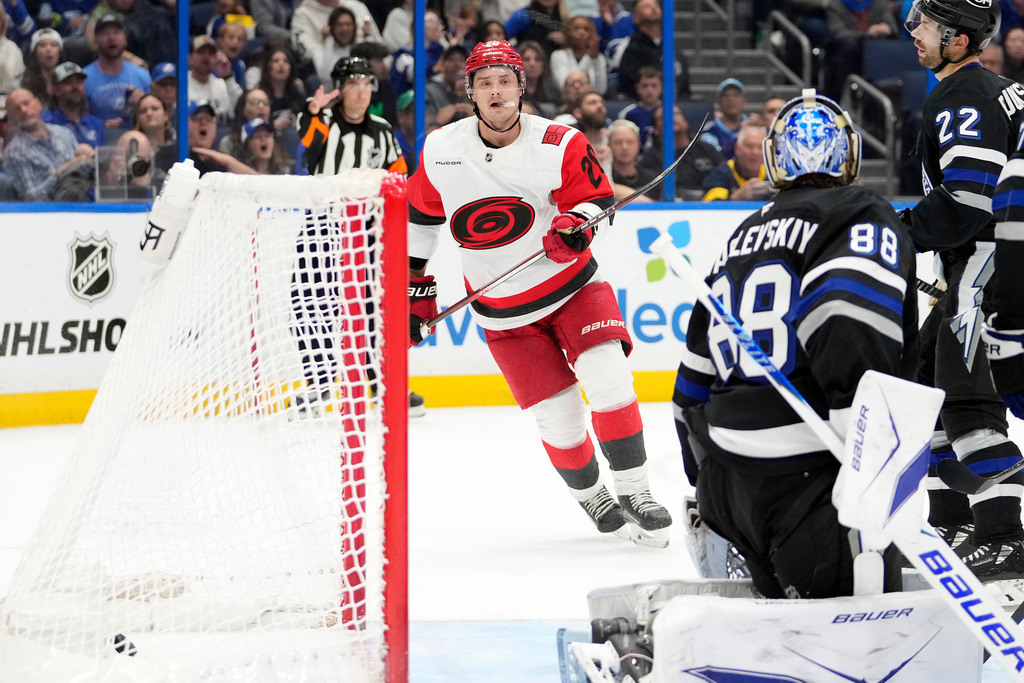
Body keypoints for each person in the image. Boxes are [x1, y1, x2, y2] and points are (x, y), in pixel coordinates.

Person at [405, 40, 673, 546]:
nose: (496, 91)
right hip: (503, 315)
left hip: (574, 288)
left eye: (505, 80)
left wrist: (577, 224)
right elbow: (419, 221)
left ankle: (636, 490)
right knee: (560, 418)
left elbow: (596, 200)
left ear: (522, 86)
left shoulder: (560, 142)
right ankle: (592, 494)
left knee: (610, 378)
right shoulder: (441, 149)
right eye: (485, 82)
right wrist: (415, 289)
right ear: (471, 92)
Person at [673, 90, 915, 599]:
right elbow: (845, 318)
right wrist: (866, 455)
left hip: (728, 484)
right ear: (848, 153)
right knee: (862, 651)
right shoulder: (858, 211)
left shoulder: (743, 233)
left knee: (777, 651)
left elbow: (691, 381)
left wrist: (705, 482)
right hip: (814, 479)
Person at [899, 0, 1024, 578]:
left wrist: (893, 235)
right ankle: (954, 524)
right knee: (927, 382)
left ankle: (1005, 538)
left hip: (991, 263)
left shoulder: (964, 95)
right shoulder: (991, 89)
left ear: (957, 40)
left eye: (924, 24)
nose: (913, 32)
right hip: (991, 260)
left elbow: (969, 201)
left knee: (968, 396)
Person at [296, 56, 418, 414]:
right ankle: (318, 384)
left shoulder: (382, 129)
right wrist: (311, 110)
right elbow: (308, 136)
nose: (362, 92)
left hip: (367, 231)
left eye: (367, 84)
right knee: (311, 305)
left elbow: (399, 178)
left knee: (372, 310)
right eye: (353, 84)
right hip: (321, 225)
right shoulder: (324, 121)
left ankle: (381, 384)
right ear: (340, 89)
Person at [4, 87, 94, 201]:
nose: (24, 110)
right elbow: (32, 199)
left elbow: (87, 172)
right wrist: (61, 174)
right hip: (49, 214)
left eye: (26, 103)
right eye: (17, 109)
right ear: (11, 118)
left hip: (84, 204)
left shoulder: (64, 133)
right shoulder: (14, 154)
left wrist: (88, 156)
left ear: (38, 104)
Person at [638, 103, 723, 201]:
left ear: (686, 122)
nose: (671, 118)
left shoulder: (707, 149)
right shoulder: (651, 158)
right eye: (662, 117)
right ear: (655, 129)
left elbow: (724, 175)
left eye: (675, 113)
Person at [153, 100, 256, 176]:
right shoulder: (170, 155)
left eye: (209, 118)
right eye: (197, 118)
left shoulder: (219, 163)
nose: (203, 122)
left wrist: (229, 161)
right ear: (184, 124)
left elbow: (260, 183)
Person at [82, 14, 150, 128]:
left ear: (125, 39)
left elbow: (155, 115)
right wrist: (101, 125)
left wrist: (143, 103)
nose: (111, 38)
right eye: (105, 33)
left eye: (116, 32)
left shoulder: (142, 75)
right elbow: (77, 117)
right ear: (96, 40)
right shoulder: (84, 78)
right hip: (99, 140)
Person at [617, 0, 689, 100]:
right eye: (646, 6)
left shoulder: (672, 48)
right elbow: (631, 85)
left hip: (678, 104)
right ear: (636, 17)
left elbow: (684, 83)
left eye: (656, 5)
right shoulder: (633, 51)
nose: (653, 8)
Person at [42, 61, 106, 148]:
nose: (75, 87)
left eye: (79, 81)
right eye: (68, 82)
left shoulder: (95, 123)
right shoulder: (45, 123)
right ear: (55, 89)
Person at [701, 124, 772, 201]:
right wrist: (738, 197)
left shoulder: (773, 175)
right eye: (749, 146)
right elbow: (712, 208)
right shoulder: (720, 174)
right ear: (737, 148)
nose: (755, 152)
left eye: (760, 147)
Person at [187, 34, 242, 124]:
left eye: (211, 53)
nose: (206, 57)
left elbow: (240, 111)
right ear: (190, 58)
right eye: (201, 52)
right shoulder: (180, 84)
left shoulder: (222, 84)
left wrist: (228, 77)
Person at [550, 15, 607, 96]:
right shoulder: (558, 55)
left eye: (586, 29)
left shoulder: (599, 58)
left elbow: (600, 90)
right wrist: (589, 58)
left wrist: (593, 59)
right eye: (576, 28)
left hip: (590, 102)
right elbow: (567, 86)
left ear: (593, 34)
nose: (581, 32)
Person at [607, 118, 659, 200]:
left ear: (638, 145)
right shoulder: (604, 178)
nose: (624, 147)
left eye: (630, 142)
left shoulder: (654, 179)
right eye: (618, 142)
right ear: (609, 145)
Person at [700, 78, 748, 160]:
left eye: (736, 95)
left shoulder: (754, 127)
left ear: (744, 101)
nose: (731, 99)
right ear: (719, 102)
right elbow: (717, 159)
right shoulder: (710, 130)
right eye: (726, 95)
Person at [312, 6, 360, 86]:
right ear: (332, 28)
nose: (344, 29)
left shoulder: (358, 47)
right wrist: (329, 40)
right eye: (340, 25)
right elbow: (326, 76)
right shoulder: (319, 49)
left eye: (348, 24)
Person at [17, 28, 62, 109]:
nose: (49, 49)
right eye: (43, 45)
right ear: (35, 52)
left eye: (54, 45)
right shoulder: (21, 84)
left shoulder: (68, 81)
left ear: (60, 51)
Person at [518, 40, 560, 120]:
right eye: (527, 59)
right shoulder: (513, 91)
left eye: (537, 59)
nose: (532, 64)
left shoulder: (552, 88)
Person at [618, 65, 659, 147]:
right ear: (638, 88)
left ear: (661, 88)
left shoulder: (670, 112)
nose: (649, 90)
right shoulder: (628, 113)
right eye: (645, 86)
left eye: (654, 85)